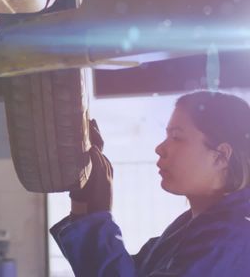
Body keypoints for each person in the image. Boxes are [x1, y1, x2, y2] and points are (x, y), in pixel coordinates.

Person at [50, 91, 250, 276]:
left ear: (221, 157)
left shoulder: (232, 240)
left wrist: (96, 213)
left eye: (177, 137)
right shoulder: (192, 227)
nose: (160, 148)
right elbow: (133, 272)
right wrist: (83, 200)